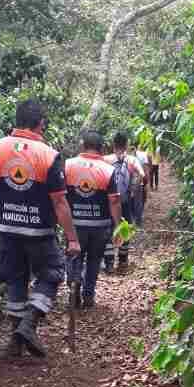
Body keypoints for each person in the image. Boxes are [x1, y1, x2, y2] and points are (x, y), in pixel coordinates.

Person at [0, 98, 80, 358]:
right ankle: (29, 324)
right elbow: (60, 202)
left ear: (16, 121)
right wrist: (72, 239)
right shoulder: (49, 155)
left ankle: (15, 341)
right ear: (40, 124)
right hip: (39, 231)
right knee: (52, 273)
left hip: (6, 228)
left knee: (15, 278)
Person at [64, 130, 121, 308]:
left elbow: (60, 196)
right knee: (95, 260)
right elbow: (114, 201)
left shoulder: (68, 165)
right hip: (100, 226)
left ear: (82, 146)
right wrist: (118, 226)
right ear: (102, 148)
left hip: (75, 224)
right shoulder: (108, 170)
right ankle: (89, 296)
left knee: (75, 257)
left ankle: (75, 285)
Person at [104, 131, 144, 271]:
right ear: (126, 144)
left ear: (113, 144)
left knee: (108, 228)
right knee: (125, 227)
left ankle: (108, 262)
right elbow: (141, 174)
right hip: (125, 200)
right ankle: (122, 261)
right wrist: (133, 189)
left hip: (108, 200)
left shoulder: (105, 159)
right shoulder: (131, 160)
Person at [133, 145, 150, 226]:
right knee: (139, 201)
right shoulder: (142, 155)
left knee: (139, 201)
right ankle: (137, 220)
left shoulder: (142, 155)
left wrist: (146, 182)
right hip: (138, 182)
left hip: (139, 181)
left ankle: (137, 220)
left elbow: (146, 171)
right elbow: (146, 170)